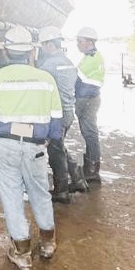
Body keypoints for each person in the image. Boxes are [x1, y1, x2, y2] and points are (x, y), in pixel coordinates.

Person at [0, 25, 63, 270]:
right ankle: (48, 243)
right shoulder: (46, 80)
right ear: (30, 52)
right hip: (36, 147)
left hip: (5, 145)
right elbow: (56, 119)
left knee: (12, 196)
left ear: (5, 51)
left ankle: (22, 253)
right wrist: (47, 139)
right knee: (41, 193)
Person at [36, 26, 88, 203]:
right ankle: (78, 179)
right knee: (59, 146)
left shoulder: (49, 65)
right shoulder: (68, 62)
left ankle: (61, 190)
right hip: (68, 112)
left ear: (50, 45)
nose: (42, 48)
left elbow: (39, 88)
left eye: (43, 45)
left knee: (55, 152)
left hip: (57, 115)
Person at [75, 26, 105, 183]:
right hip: (90, 98)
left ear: (89, 42)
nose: (78, 44)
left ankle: (92, 170)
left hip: (87, 100)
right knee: (89, 133)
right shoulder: (92, 56)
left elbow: (74, 78)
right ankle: (90, 167)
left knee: (90, 133)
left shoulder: (92, 58)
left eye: (80, 41)